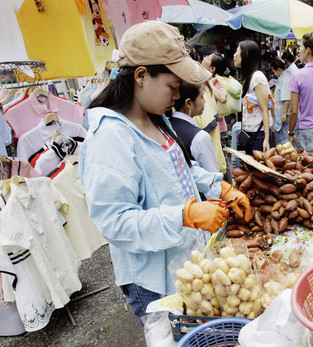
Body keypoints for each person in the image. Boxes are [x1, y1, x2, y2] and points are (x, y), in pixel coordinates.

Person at [79, 21, 252, 324]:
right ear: (142, 76)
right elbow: (114, 221)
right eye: (173, 87)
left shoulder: (158, 118)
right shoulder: (109, 137)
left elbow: (179, 168)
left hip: (186, 264)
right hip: (153, 281)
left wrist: (219, 187)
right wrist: (183, 215)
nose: (177, 96)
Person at [168, 82, 219, 173]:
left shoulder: (165, 127)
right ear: (189, 103)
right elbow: (213, 178)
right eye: (202, 97)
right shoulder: (200, 137)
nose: (204, 101)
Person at [233, 40, 273, 154]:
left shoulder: (257, 77)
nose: (234, 55)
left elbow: (265, 108)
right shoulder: (248, 78)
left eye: (237, 51)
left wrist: (266, 139)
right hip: (249, 133)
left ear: (245, 55)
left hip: (258, 135)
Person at [201, 52, 233, 175]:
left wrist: (208, 82)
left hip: (219, 130)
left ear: (212, 69)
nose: (204, 59)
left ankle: (228, 190)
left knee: (222, 163)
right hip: (207, 130)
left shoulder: (219, 82)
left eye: (207, 58)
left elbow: (223, 98)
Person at [270, 58, 293, 145]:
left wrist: (283, 113)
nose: (274, 74)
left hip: (285, 116)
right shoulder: (283, 77)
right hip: (281, 115)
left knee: (285, 145)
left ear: (278, 69)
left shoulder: (286, 78)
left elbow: (287, 98)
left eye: (274, 71)